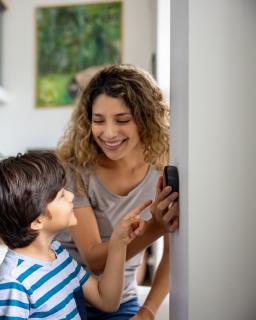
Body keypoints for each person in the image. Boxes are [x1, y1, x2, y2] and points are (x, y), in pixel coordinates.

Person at [56, 64, 179, 320]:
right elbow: (95, 260)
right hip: (64, 298)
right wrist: (156, 227)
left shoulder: (164, 171)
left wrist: (147, 312)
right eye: (98, 120)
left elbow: (173, 253)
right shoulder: (76, 170)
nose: (108, 133)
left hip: (121, 301)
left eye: (122, 120)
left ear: (146, 119)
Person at [0, 151, 152, 320]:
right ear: (37, 221)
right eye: (61, 195)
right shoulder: (13, 285)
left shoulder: (57, 253)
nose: (71, 195)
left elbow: (107, 302)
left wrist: (118, 243)